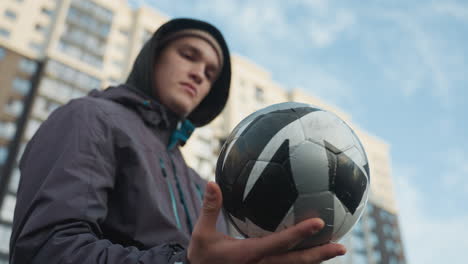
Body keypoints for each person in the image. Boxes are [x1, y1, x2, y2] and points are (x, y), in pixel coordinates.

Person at [9, 18, 346, 264]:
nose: (200, 73)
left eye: (211, 73)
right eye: (189, 54)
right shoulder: (90, 117)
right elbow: (46, 250)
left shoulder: (202, 185)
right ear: (152, 57)